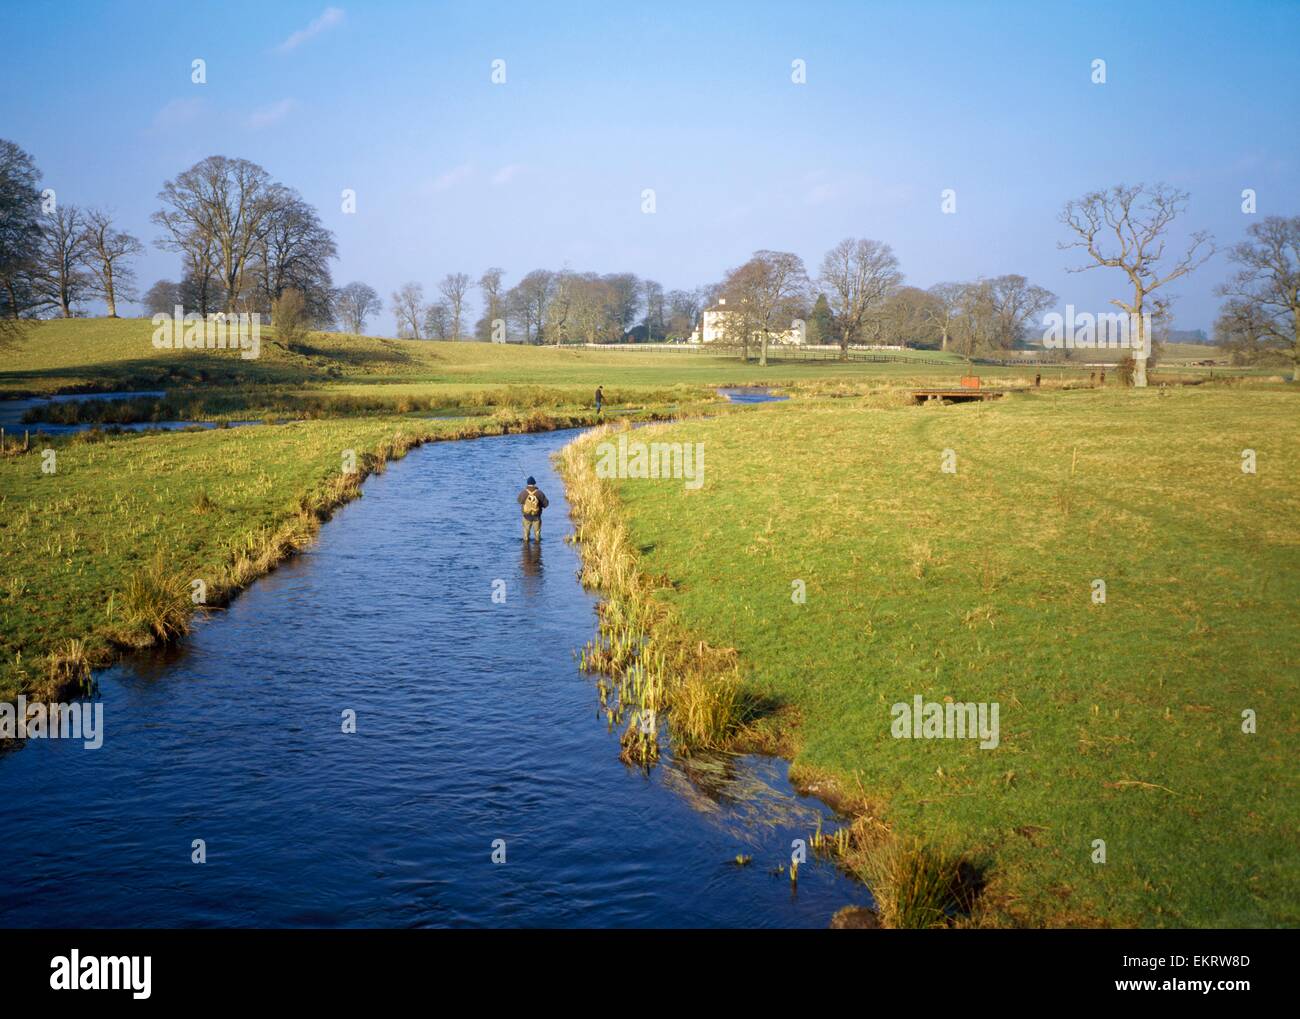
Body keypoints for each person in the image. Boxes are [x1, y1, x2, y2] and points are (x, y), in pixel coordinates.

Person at [517, 475, 549, 542]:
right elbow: (546, 504)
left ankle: (526, 548)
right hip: (537, 517)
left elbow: (519, 501)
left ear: (527, 483)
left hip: (526, 517)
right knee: (537, 535)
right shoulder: (539, 493)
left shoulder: (524, 492)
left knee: (526, 535)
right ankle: (537, 548)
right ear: (534, 483)